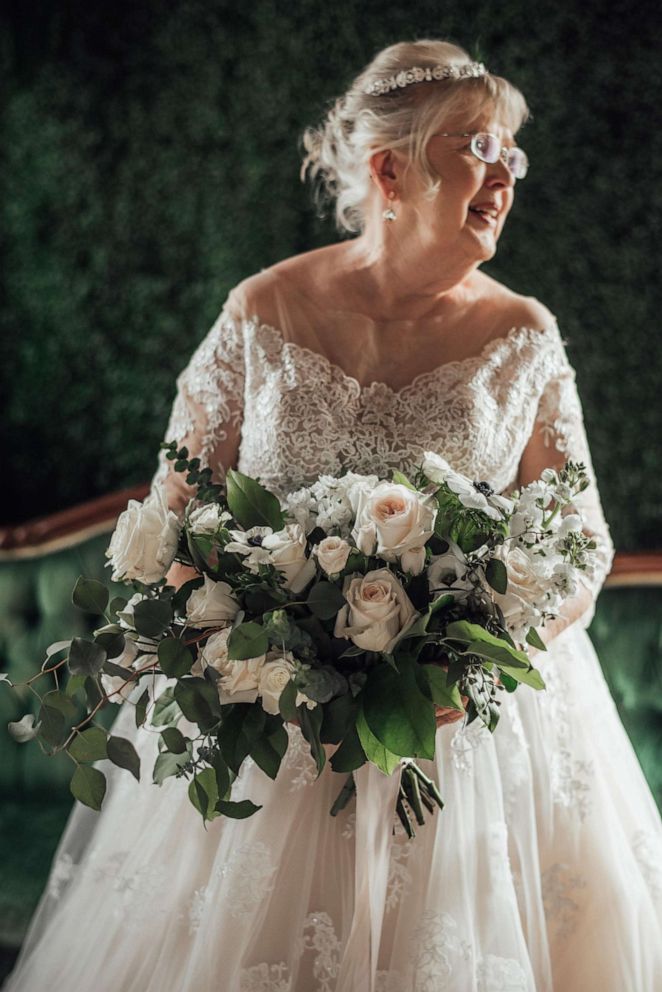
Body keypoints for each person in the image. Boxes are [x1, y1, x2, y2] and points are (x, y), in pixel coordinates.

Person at [4, 38, 662, 992]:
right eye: (478, 146)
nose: (505, 177)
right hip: (273, 734)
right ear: (391, 167)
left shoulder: (523, 334)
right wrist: (252, 653)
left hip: (459, 738)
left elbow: (581, 543)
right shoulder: (260, 313)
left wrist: (467, 658)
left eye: (511, 154)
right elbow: (173, 517)